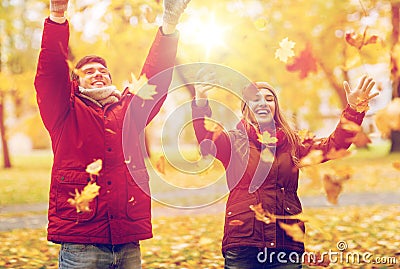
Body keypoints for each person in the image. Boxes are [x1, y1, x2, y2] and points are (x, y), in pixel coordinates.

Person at [34, 0, 190, 268]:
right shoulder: (63, 110)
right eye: (89, 71)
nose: (98, 74)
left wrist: (169, 23)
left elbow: (155, 78)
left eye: (103, 71)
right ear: (75, 81)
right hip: (81, 242)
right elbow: (49, 74)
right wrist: (57, 17)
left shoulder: (129, 110)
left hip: (127, 240)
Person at [192, 74, 376, 268]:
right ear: (246, 109)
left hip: (286, 242)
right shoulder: (233, 142)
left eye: (269, 98)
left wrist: (354, 110)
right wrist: (200, 102)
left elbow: (334, 145)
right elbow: (205, 135)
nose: (263, 102)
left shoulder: (294, 143)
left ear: (275, 107)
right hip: (244, 242)